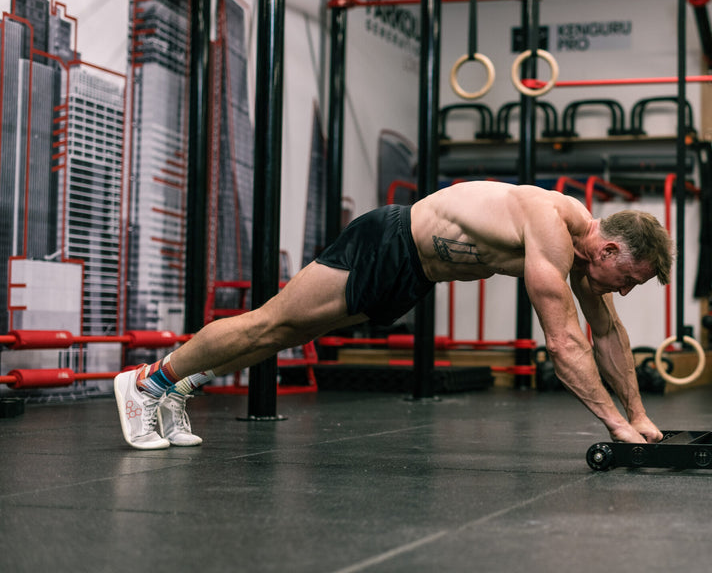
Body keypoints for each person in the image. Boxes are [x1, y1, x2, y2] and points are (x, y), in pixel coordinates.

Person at [114, 181, 674, 450]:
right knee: (271, 322)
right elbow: (564, 341)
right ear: (607, 252)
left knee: (291, 334)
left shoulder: (581, 252)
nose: (623, 292)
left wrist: (639, 412)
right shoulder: (551, 225)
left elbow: (606, 333)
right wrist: (616, 426)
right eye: (629, 279)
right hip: (387, 242)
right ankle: (149, 383)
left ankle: (175, 389)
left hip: (414, 275)